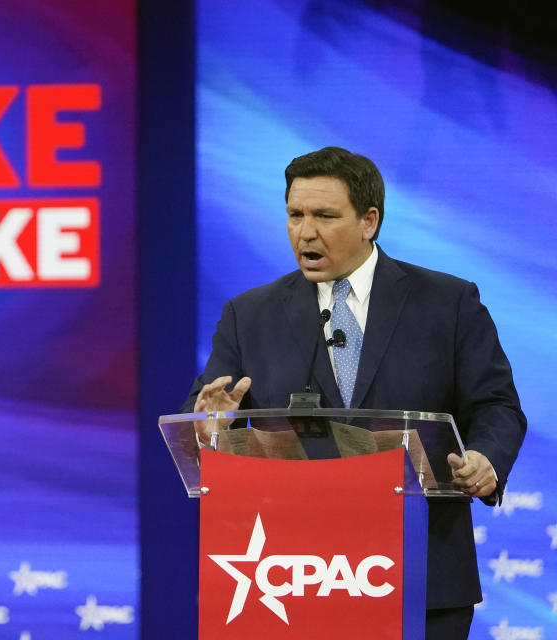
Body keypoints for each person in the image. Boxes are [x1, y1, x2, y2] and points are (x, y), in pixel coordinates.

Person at [182, 146, 526, 639]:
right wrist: (209, 426)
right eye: (295, 215)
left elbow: (496, 405)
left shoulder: (447, 303)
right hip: (289, 577)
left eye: (324, 216)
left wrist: (485, 459)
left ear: (369, 221)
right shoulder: (249, 315)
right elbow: (204, 424)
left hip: (421, 573)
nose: (305, 232)